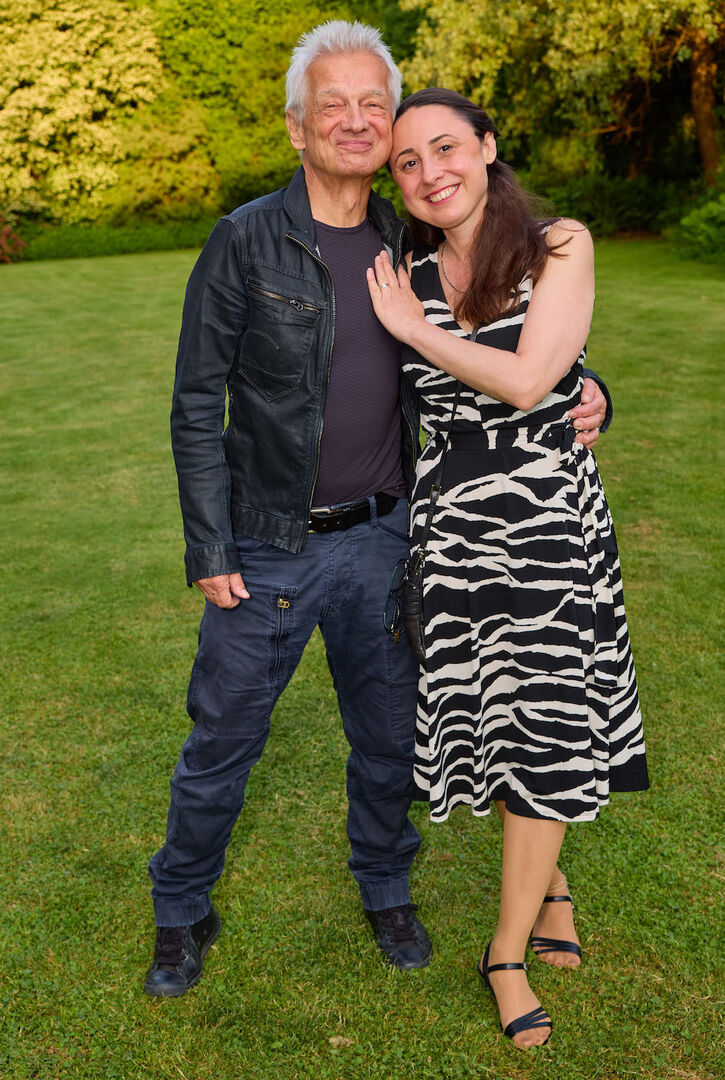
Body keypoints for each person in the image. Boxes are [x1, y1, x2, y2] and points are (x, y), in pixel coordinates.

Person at [144, 24, 609, 999]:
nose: (353, 121)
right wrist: (206, 539)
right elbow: (196, 400)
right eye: (332, 105)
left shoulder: (417, 241)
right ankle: (180, 909)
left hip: (395, 540)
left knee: (388, 739)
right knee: (220, 741)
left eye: (371, 105)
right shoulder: (246, 238)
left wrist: (590, 385)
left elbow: (509, 342)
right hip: (264, 547)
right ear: (296, 125)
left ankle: (385, 886)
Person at [367, 88, 648, 1048]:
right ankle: (553, 885)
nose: (429, 171)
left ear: (488, 145)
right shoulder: (401, 264)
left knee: (547, 723)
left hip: (543, 527)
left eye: (446, 147)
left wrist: (418, 333)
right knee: (493, 717)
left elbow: (530, 380)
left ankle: (504, 950)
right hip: (449, 530)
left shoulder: (556, 243)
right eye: (407, 161)